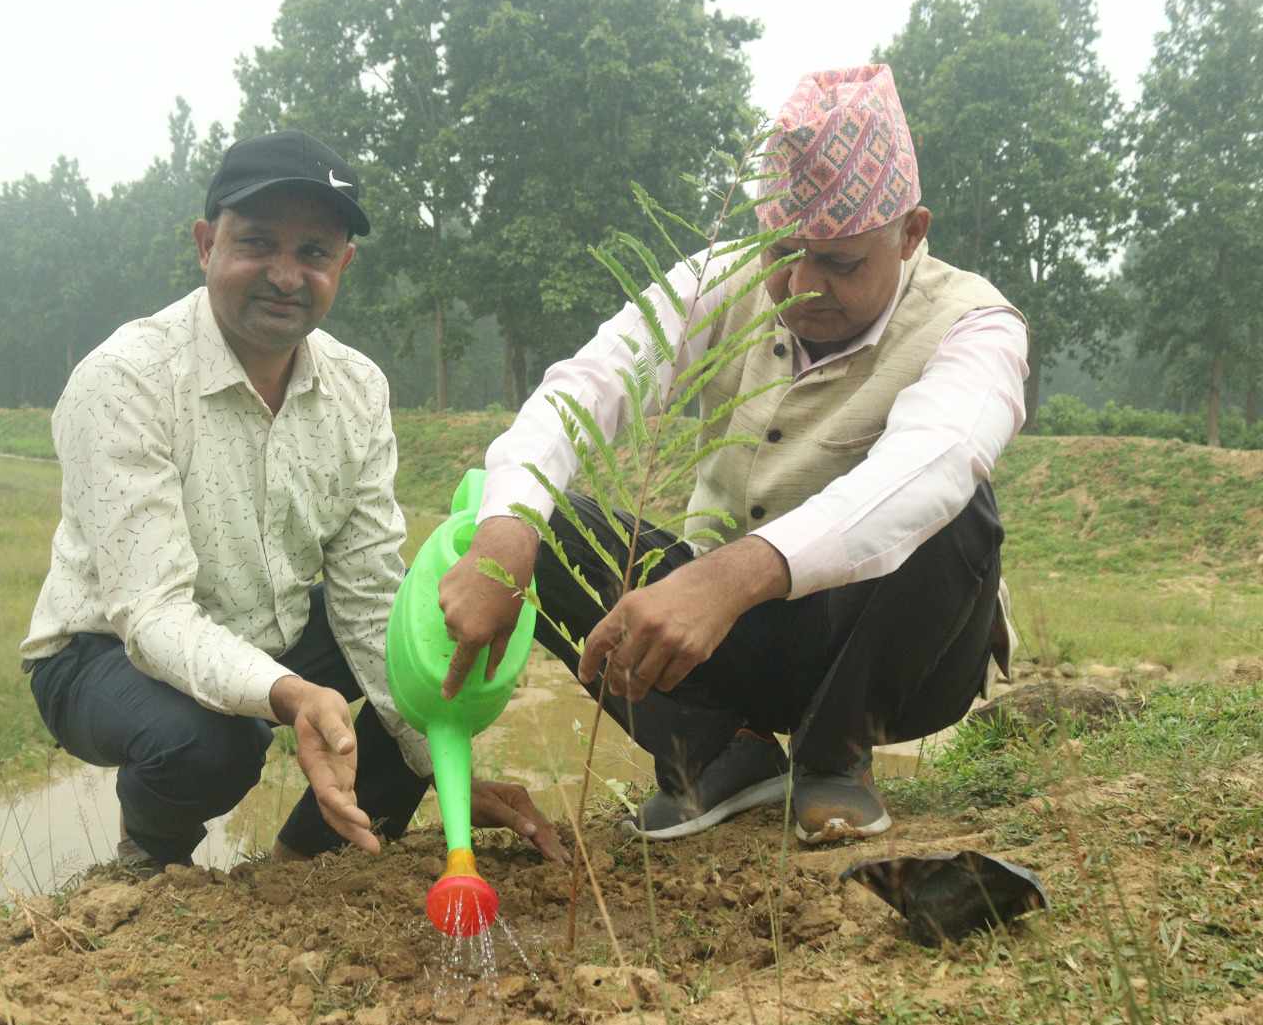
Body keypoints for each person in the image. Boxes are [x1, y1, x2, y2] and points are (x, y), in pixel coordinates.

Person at [438, 66, 1027, 846]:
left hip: (894, 648)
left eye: (841, 263)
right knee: (544, 523)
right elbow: (592, 383)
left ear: (910, 233)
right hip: (717, 635)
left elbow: (933, 465)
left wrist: (729, 577)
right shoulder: (725, 277)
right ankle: (719, 754)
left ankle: (835, 754)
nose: (800, 286)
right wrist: (506, 531)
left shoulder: (974, 325)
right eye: (784, 251)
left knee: (956, 504)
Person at [21, 129, 567, 871]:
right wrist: (287, 692)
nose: (284, 274)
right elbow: (149, 613)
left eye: (313, 253)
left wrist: (450, 768)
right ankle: (150, 860)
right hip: (104, 649)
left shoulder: (358, 390)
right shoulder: (126, 380)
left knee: (414, 664)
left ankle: (305, 863)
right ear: (206, 244)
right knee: (210, 739)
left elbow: (372, 597)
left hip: (273, 626)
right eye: (256, 244)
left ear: (342, 265)